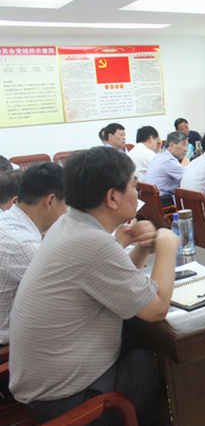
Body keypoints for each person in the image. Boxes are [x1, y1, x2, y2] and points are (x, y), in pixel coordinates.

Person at [9, 147, 180, 425]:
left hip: (47, 389)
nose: (137, 192)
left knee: (141, 348)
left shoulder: (67, 225)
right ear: (112, 197)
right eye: (134, 184)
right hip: (69, 400)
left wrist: (143, 247)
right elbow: (156, 308)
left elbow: (114, 285)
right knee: (162, 364)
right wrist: (168, 243)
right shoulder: (93, 243)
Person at [0, 163, 67, 346]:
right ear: (50, 201)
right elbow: (67, 296)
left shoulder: (6, 221)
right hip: (8, 345)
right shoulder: (23, 244)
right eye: (66, 205)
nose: (66, 212)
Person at [143, 131, 190, 207]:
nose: (186, 150)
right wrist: (184, 167)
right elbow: (189, 178)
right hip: (162, 203)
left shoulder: (158, 156)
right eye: (183, 145)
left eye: (186, 146)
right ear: (172, 145)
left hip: (150, 202)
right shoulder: (169, 161)